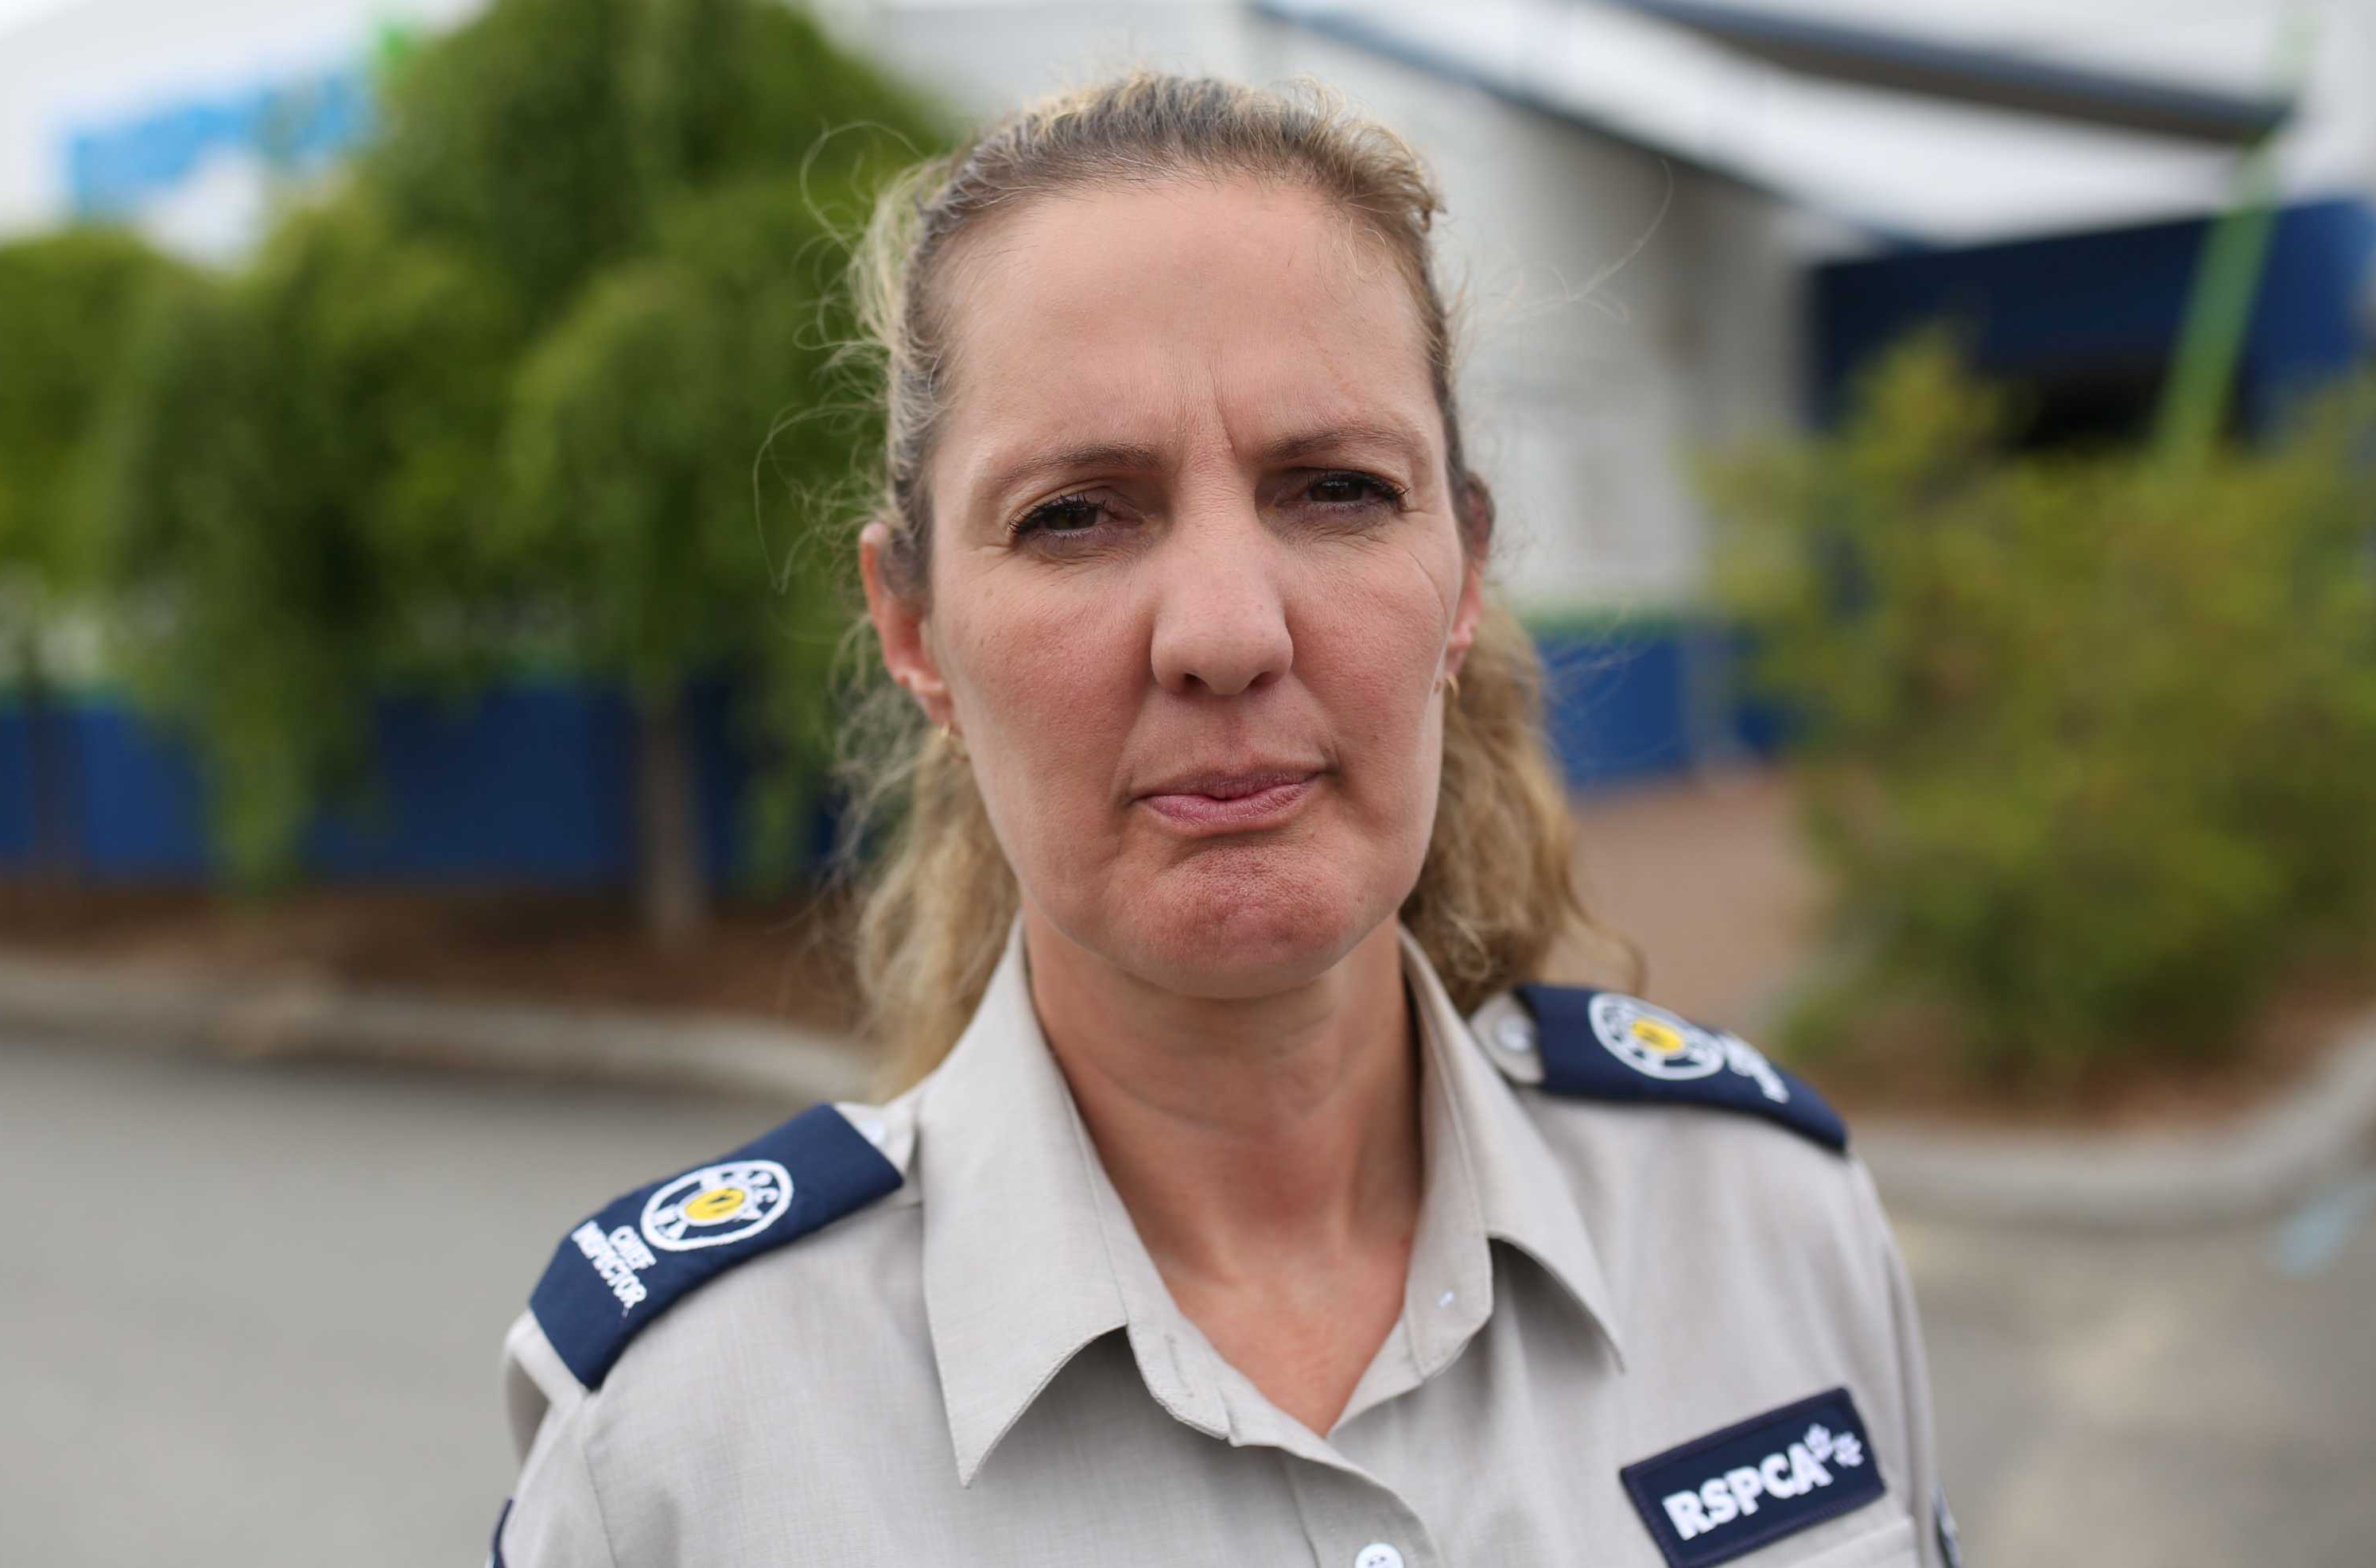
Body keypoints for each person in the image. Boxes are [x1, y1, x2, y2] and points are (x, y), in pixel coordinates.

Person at [489, 70, 1960, 1568]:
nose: (1225, 633)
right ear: (914, 629)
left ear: (1464, 576)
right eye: (1075, 513)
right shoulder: (680, 1448)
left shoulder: (1768, 1228)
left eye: (1336, 489)